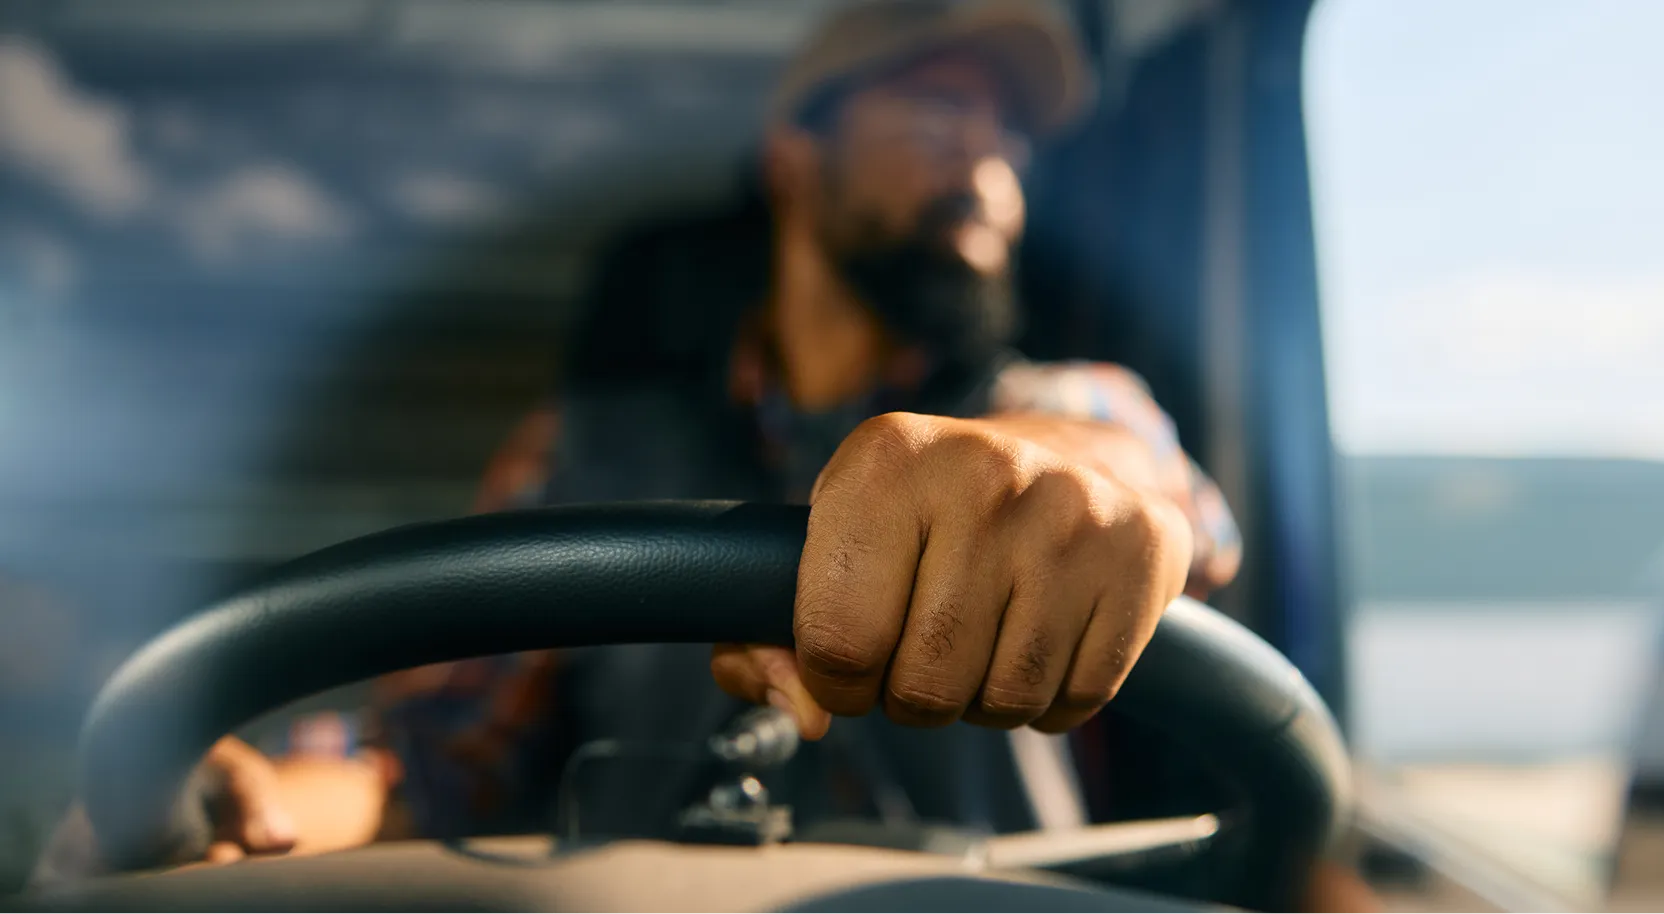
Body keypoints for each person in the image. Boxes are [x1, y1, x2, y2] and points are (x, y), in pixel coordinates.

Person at [45, 1, 1368, 904]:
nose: (992, 167)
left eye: (1011, 135)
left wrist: (1060, 478)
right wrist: (256, 794)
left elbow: (1150, 488)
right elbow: (429, 759)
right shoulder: (577, 450)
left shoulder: (1068, 399)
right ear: (795, 159)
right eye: (934, 115)